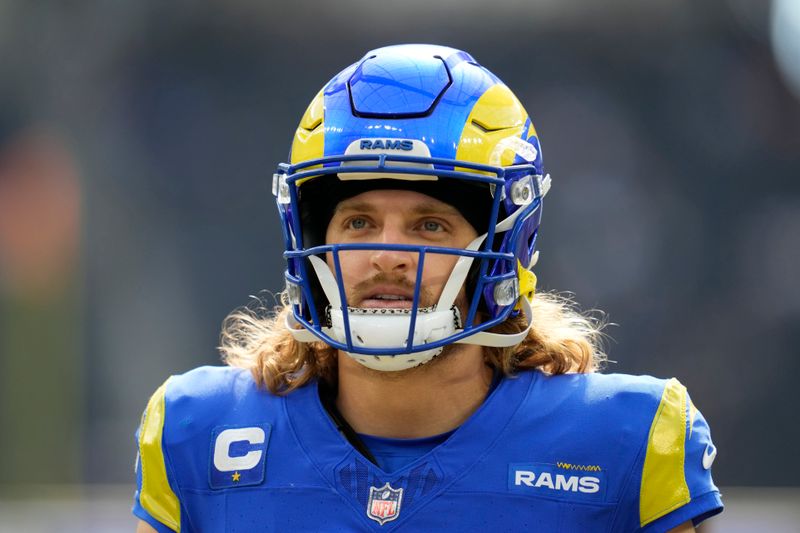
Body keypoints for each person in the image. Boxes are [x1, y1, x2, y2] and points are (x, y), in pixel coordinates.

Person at [133, 44, 722, 532]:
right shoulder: (198, 432)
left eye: (430, 225)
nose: (387, 255)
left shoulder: (627, 443)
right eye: (358, 222)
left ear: (505, 245)